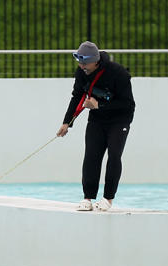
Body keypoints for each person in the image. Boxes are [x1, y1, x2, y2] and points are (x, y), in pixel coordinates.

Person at [56, 40, 136, 212]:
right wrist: (66, 123)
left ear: (96, 61)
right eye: (79, 61)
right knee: (92, 155)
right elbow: (77, 96)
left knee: (114, 155)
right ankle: (88, 197)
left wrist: (100, 105)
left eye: (85, 62)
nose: (81, 65)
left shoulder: (118, 73)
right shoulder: (81, 73)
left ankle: (108, 198)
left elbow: (128, 104)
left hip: (119, 120)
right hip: (97, 119)